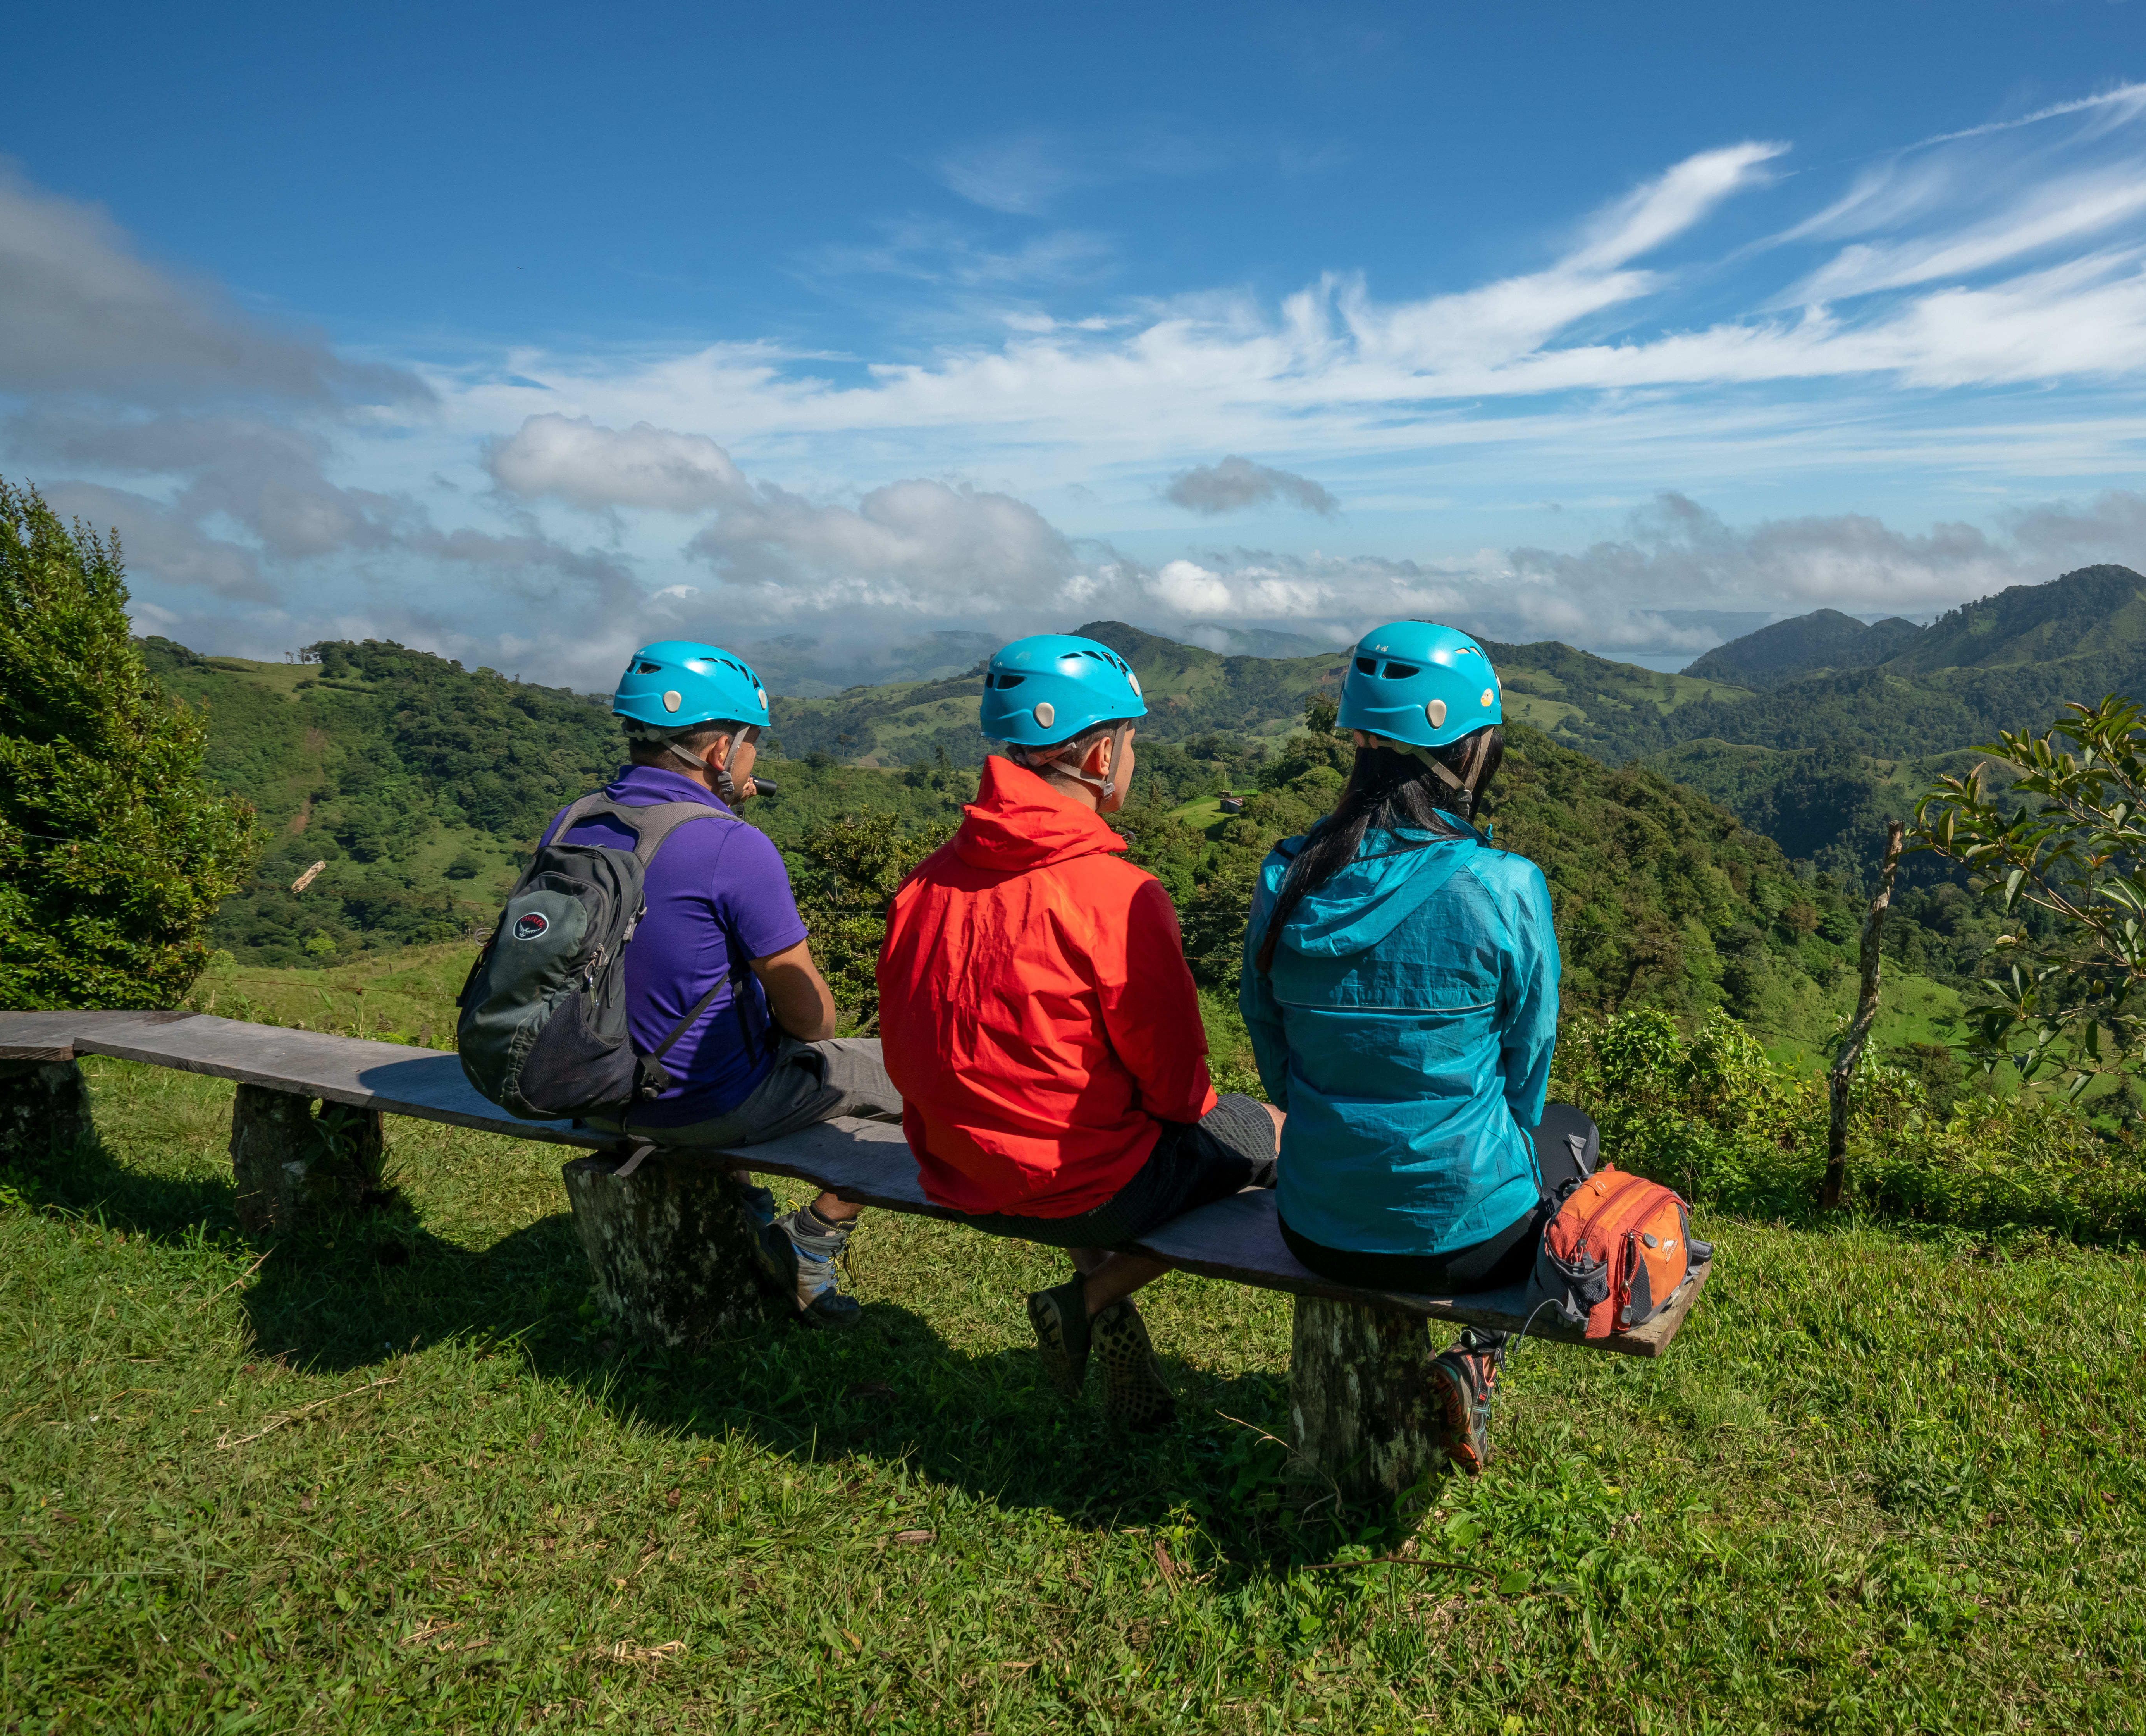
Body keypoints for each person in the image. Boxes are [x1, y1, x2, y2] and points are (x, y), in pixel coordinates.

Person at [878, 634, 1279, 1429]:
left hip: (957, 1170)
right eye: (1131, 741)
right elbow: (1179, 1092)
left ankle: (1100, 1314)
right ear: (1100, 756)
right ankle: (1089, 1295)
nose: (1133, 758)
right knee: (1272, 1131)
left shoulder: (927, 879)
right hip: (1077, 1189)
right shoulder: (1113, 893)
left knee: (1081, 1128)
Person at [1237, 621, 1588, 1476]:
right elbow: (1526, 1072)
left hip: (1314, 1225)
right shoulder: (1505, 885)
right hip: (1469, 1239)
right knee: (1569, 1132)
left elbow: (1273, 1049)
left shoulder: (1287, 878)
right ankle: (1476, 1357)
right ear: (1468, 750)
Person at [556, 639, 903, 1327]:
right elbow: (813, 1023)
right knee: (912, 1075)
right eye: (752, 744)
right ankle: (814, 1240)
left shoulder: (575, 820)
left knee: (701, 1037)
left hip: (583, 1088)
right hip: (692, 1106)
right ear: (721, 753)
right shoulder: (732, 845)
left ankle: (747, 1216)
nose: (754, 760)